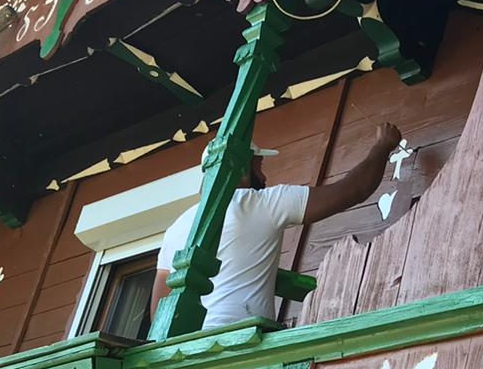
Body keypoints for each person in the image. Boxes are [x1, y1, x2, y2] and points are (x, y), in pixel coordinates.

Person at [152, 122, 402, 329]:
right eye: (259, 167)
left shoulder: (176, 228)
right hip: (240, 343)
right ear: (244, 167)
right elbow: (353, 190)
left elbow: (158, 313)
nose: (264, 177)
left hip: (188, 352)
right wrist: (383, 146)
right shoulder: (261, 203)